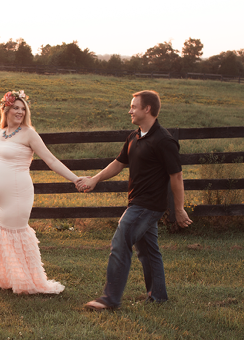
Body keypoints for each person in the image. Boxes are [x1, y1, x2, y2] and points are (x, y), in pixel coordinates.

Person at [76, 90, 192, 310]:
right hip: (136, 202)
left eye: (133, 106)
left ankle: (110, 299)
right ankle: (158, 296)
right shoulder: (134, 136)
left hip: (148, 206)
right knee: (148, 250)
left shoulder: (164, 140)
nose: (130, 110)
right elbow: (119, 163)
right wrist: (95, 179)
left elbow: (176, 176)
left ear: (147, 109)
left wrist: (179, 209)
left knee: (121, 242)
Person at [0, 90, 82, 294]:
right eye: (16, 107)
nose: (20, 112)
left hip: (17, 194)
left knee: (14, 237)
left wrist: (75, 179)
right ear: (6, 108)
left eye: (23, 109)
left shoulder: (29, 134)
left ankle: (26, 282)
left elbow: (51, 160)